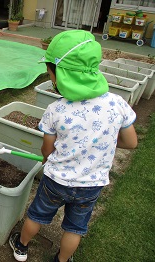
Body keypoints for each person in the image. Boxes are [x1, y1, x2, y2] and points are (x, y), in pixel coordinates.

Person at [9, 30, 138, 262]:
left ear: (60, 74)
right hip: (92, 184)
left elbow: (47, 148)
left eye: (50, 74)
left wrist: (47, 158)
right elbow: (131, 142)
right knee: (75, 228)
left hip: (56, 180)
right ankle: (62, 260)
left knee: (37, 215)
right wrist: (105, 140)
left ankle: (21, 247)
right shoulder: (117, 103)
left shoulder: (56, 110)